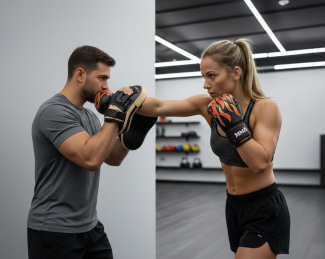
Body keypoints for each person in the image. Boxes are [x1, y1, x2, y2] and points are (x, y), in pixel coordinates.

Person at [138, 38, 290, 259]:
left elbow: (260, 163)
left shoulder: (265, 108)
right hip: (234, 206)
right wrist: (122, 99)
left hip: (263, 208)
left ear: (235, 73)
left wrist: (235, 125)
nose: (205, 84)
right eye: (203, 76)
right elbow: (160, 106)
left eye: (212, 75)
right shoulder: (208, 106)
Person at [27, 45, 144, 259]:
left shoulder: (88, 116)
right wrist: (115, 114)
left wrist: (135, 128)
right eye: (102, 78)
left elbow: (111, 157)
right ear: (80, 74)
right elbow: (91, 159)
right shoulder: (53, 111)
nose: (106, 86)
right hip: (55, 229)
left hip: (89, 225)